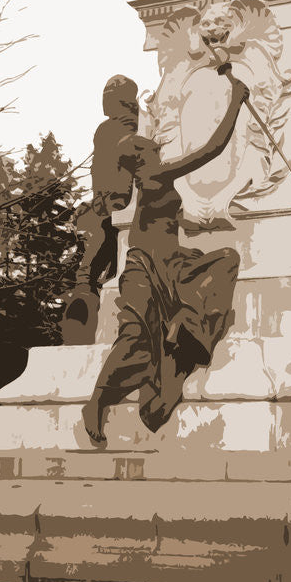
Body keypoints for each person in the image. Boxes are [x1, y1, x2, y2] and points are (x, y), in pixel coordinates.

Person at [82, 63, 249, 444]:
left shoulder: (151, 170)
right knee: (134, 338)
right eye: (147, 144)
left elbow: (149, 133)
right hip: (144, 265)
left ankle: (183, 333)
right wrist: (236, 100)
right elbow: (213, 148)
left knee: (225, 261)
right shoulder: (156, 176)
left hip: (171, 263)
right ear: (140, 158)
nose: (154, 142)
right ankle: (97, 403)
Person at [60, 76, 138, 345]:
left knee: (91, 270)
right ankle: (91, 323)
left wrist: (117, 198)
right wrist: (94, 201)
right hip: (104, 205)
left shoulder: (132, 125)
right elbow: (99, 167)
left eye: (110, 94)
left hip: (117, 207)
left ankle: (85, 323)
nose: (105, 99)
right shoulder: (105, 129)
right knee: (106, 267)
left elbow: (125, 163)